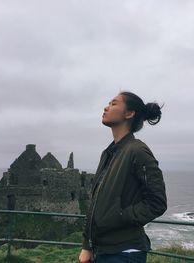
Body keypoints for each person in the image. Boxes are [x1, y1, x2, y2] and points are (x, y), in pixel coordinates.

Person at [79, 91, 167, 263]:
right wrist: (87, 246)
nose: (106, 107)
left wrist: (119, 215)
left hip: (125, 252)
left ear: (129, 113)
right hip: (102, 250)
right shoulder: (109, 153)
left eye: (113, 103)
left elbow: (157, 203)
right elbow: (95, 203)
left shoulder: (137, 150)